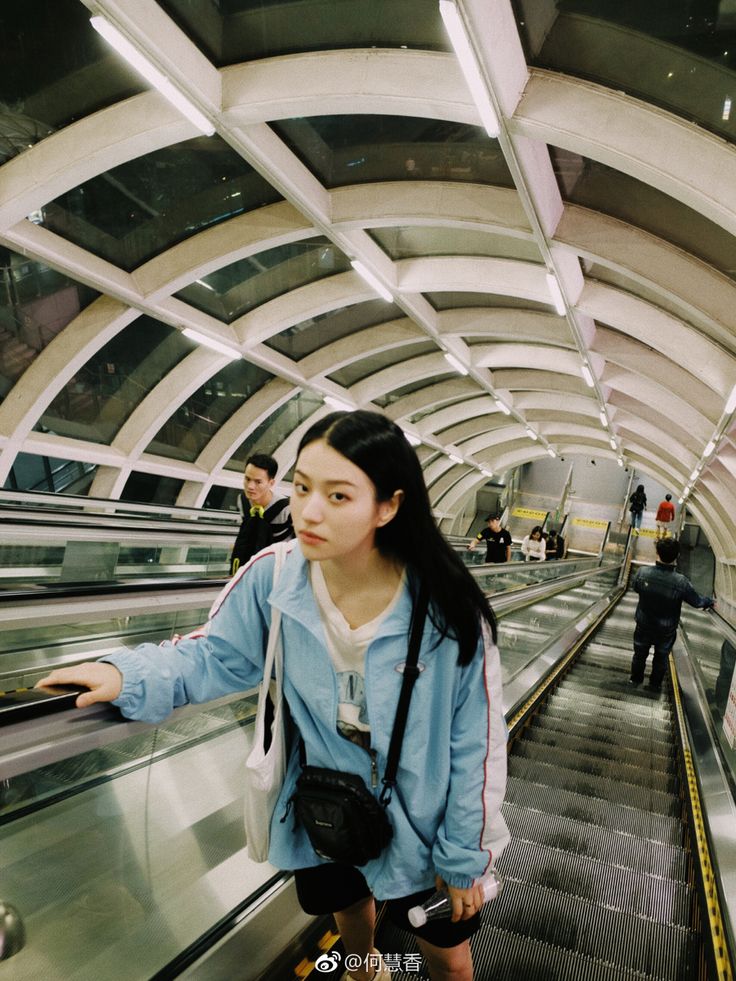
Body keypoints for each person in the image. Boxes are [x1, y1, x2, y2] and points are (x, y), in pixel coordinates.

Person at [37, 410, 509, 981]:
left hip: (428, 822)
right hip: (327, 801)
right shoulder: (274, 576)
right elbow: (214, 654)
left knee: (448, 960)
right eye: (303, 487)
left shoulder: (446, 609)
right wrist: (128, 676)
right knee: (350, 916)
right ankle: (365, 972)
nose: (309, 511)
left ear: (388, 506)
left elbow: (476, 746)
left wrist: (463, 856)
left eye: (338, 496)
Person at [629, 537, 714, 692]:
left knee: (639, 655)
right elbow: (697, 601)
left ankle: (634, 681)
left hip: (644, 624)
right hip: (666, 630)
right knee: (661, 659)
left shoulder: (643, 573)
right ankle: (654, 686)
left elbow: (635, 587)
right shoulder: (681, 582)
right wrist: (710, 601)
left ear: (657, 553)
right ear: (677, 556)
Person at [230, 452, 293, 575]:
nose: (250, 486)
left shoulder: (287, 508)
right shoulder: (242, 501)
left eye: (258, 482)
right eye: (247, 479)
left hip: (278, 572)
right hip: (246, 568)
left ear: (271, 483)